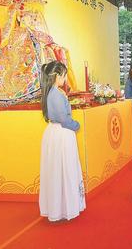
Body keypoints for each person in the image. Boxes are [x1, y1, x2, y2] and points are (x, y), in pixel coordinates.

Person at [39, 61, 85, 222]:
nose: (65, 79)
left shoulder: (52, 92)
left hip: (55, 133)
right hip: (62, 134)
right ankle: (65, 207)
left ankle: (60, 206)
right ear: (57, 76)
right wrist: (76, 125)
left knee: (57, 171)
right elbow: (64, 120)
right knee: (65, 169)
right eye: (64, 76)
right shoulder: (55, 94)